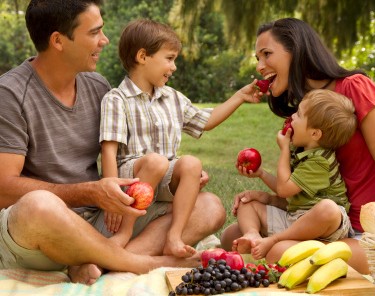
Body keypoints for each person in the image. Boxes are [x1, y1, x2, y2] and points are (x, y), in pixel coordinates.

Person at [0, 0, 224, 286]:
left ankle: (96, 263)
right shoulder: (10, 94)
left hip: (100, 222)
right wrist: (91, 192)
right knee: (38, 206)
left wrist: (176, 173)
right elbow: (4, 188)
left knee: (209, 206)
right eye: (94, 33)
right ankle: (142, 262)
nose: (105, 41)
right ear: (58, 40)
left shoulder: (97, 87)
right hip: (41, 233)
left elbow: (129, 157)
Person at [220, 17, 375, 274]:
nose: (260, 66)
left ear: (296, 50)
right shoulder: (299, 119)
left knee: (277, 252)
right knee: (230, 237)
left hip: (363, 230)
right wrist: (267, 197)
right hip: (320, 222)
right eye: (258, 57)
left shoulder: (355, 87)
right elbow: (306, 186)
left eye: (267, 54)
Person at [99, 19, 261, 258]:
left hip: (163, 178)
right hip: (130, 179)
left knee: (191, 163)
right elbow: (109, 152)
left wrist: (238, 96)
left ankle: (173, 237)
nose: (174, 67)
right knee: (155, 162)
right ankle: (123, 233)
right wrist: (112, 197)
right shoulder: (117, 99)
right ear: (143, 56)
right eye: (169, 58)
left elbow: (206, 121)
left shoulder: (172, 98)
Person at [232, 89, 357, 260]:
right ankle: (253, 236)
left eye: (298, 114)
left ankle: (274, 239)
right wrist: (261, 174)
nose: (292, 117)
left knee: (328, 208)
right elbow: (286, 188)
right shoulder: (301, 151)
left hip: (324, 226)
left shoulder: (320, 161)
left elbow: (283, 190)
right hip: (295, 218)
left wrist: (284, 150)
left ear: (314, 133)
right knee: (247, 203)